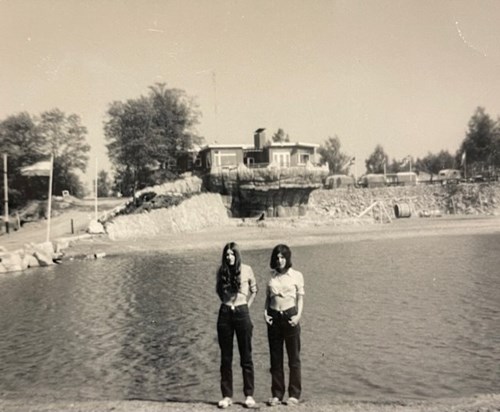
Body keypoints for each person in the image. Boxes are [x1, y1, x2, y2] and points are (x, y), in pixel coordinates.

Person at [216, 242, 258, 409]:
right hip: (225, 314)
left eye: (232, 254)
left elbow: (255, 290)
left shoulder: (247, 269)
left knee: (246, 356)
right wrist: (228, 304)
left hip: (242, 313)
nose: (229, 257)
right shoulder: (222, 271)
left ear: (237, 255)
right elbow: (219, 291)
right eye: (227, 254)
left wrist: (246, 305)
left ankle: (249, 395)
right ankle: (227, 396)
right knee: (226, 357)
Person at [264, 244, 304, 406]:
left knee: (293, 358)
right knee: (275, 358)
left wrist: (298, 316)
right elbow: (268, 298)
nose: (280, 261)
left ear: (287, 259)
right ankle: (277, 394)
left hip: (290, 316)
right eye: (277, 258)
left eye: (283, 257)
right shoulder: (272, 277)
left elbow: (300, 299)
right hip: (274, 317)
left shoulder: (296, 275)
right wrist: (265, 313)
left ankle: (294, 394)